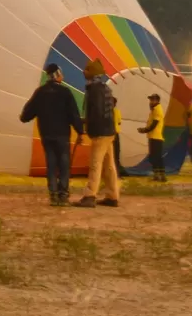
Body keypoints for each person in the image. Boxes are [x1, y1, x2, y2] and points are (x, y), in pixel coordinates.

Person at [20, 63, 84, 205]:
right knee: (64, 164)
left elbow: (27, 114)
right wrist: (80, 131)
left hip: (46, 134)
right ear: (58, 74)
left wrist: (25, 117)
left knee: (51, 164)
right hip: (62, 135)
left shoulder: (40, 92)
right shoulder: (65, 92)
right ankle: (63, 194)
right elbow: (74, 114)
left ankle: (53, 194)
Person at [76, 59, 119, 208]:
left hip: (100, 132)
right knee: (109, 165)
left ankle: (89, 196)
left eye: (87, 70)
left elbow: (96, 112)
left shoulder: (94, 89)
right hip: (109, 131)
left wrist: (87, 125)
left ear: (92, 72)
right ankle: (112, 195)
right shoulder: (105, 88)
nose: (84, 72)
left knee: (95, 164)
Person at [139, 94, 168, 182]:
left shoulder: (158, 110)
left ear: (157, 101)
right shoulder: (154, 110)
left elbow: (154, 124)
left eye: (152, 100)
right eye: (150, 100)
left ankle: (162, 175)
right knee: (154, 157)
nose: (150, 102)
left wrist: (145, 130)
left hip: (156, 137)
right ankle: (157, 175)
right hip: (152, 137)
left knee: (157, 157)